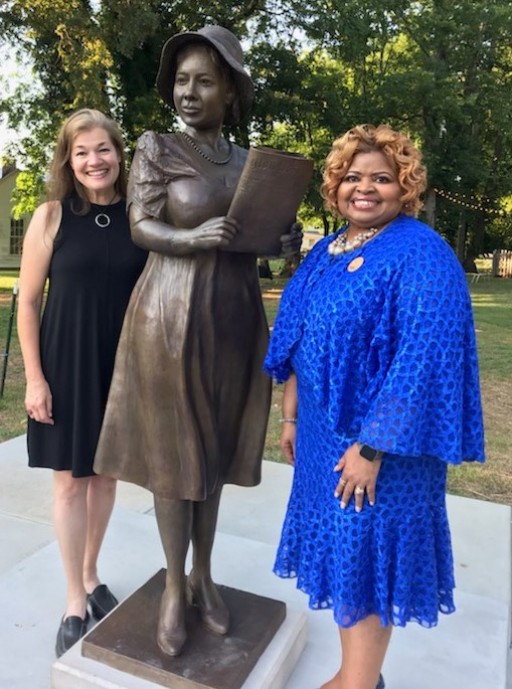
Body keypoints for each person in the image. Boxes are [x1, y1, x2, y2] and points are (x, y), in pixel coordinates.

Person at [93, 25, 301, 657]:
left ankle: (203, 576)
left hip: (233, 316)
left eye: (205, 80)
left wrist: (282, 245)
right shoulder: (156, 147)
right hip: (169, 314)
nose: (189, 91)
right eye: (182, 80)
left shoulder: (249, 163)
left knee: (211, 454)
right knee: (173, 457)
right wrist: (189, 239)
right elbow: (141, 223)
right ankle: (172, 589)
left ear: (230, 92)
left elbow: (256, 238)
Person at [264, 124, 485, 689]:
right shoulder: (331, 248)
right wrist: (291, 417)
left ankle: (359, 685)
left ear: (404, 188)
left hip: (377, 449)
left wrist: (371, 448)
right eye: (353, 177)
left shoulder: (421, 253)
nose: (365, 188)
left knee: (363, 560)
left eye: (382, 178)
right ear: (336, 185)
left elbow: (423, 358)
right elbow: (298, 337)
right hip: (321, 436)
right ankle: (354, 676)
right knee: (344, 558)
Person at [17, 109, 148, 657]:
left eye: (104, 149)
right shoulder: (50, 217)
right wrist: (35, 379)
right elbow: (26, 301)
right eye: (82, 152)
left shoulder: (142, 216)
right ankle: (74, 596)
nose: (95, 160)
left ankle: (92, 574)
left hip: (122, 369)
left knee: (105, 478)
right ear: (68, 161)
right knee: (70, 481)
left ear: (120, 155)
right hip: (65, 365)